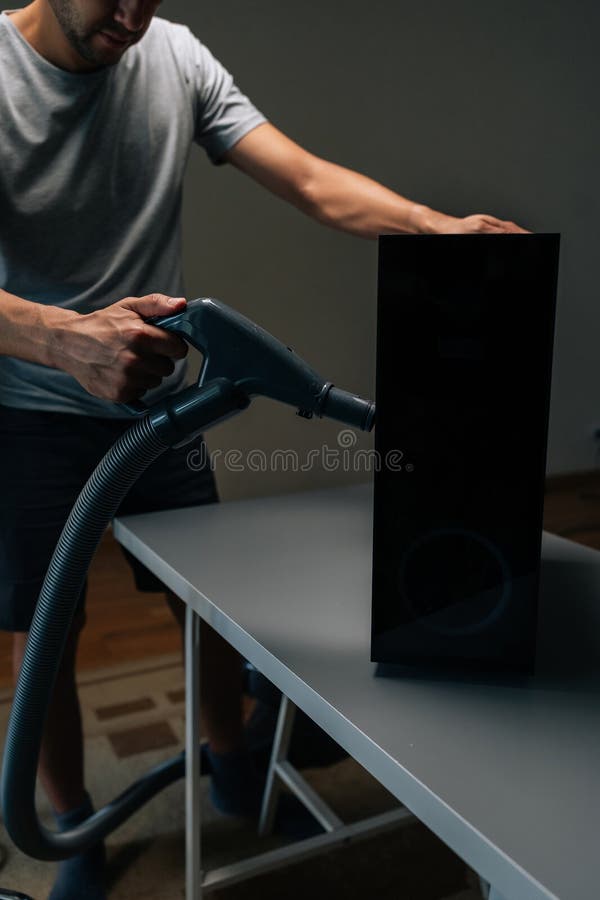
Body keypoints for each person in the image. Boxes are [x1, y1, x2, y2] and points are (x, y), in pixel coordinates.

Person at [0, 1, 526, 897]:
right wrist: (62, 340)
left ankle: (230, 757)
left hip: (158, 402)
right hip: (28, 407)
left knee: (197, 603)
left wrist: (433, 228)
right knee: (46, 627)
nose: (132, 14)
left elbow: (311, 181)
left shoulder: (175, 57)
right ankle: (69, 823)